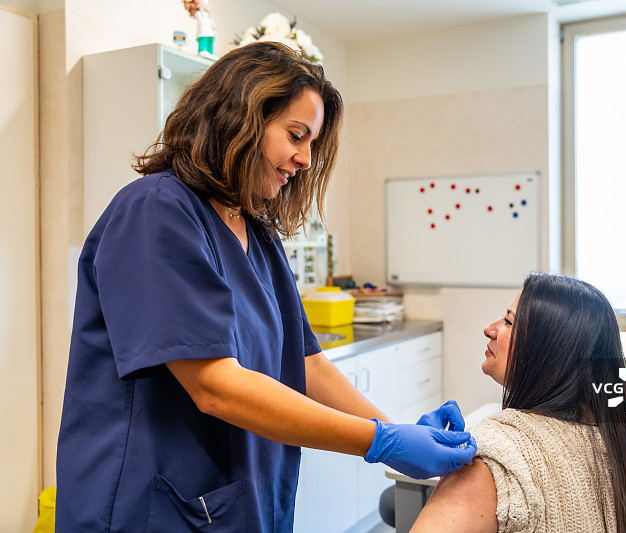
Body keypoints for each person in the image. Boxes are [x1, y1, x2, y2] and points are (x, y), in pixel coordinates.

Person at [55, 42, 476, 532]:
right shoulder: (156, 211)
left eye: (313, 144)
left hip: (239, 494)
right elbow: (214, 385)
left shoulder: (255, 231)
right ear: (241, 117)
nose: (305, 159)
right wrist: (376, 441)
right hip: (152, 500)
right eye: (297, 135)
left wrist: (392, 430)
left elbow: (304, 363)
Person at [411, 273, 626, 533]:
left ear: (549, 350)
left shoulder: (494, 455)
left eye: (509, 322)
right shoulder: (625, 446)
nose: (490, 329)